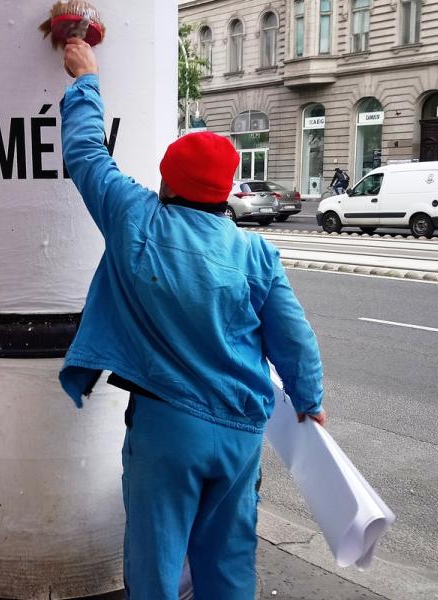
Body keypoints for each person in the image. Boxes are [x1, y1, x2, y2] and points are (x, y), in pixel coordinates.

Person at [57, 38, 326, 599]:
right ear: (223, 193)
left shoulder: (137, 217)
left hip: (168, 427)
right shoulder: (256, 254)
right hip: (241, 432)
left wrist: (85, 79)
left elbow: (86, 155)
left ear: (170, 181)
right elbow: (294, 339)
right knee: (228, 561)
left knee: (154, 565)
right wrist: (309, 402)